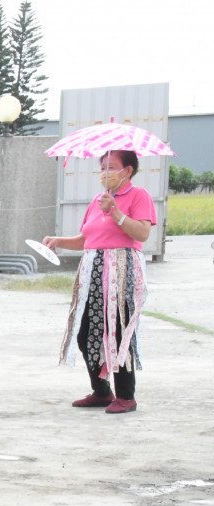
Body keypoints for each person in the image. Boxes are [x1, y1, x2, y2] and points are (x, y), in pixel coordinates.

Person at [44, 150, 154, 414]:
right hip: (93, 270)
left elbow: (142, 232)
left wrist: (115, 212)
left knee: (118, 331)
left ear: (127, 170)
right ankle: (102, 391)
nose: (105, 173)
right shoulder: (97, 200)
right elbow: (86, 239)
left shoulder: (139, 196)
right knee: (86, 332)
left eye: (111, 167)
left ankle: (126, 396)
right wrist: (59, 241)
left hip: (122, 270)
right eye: (102, 167)